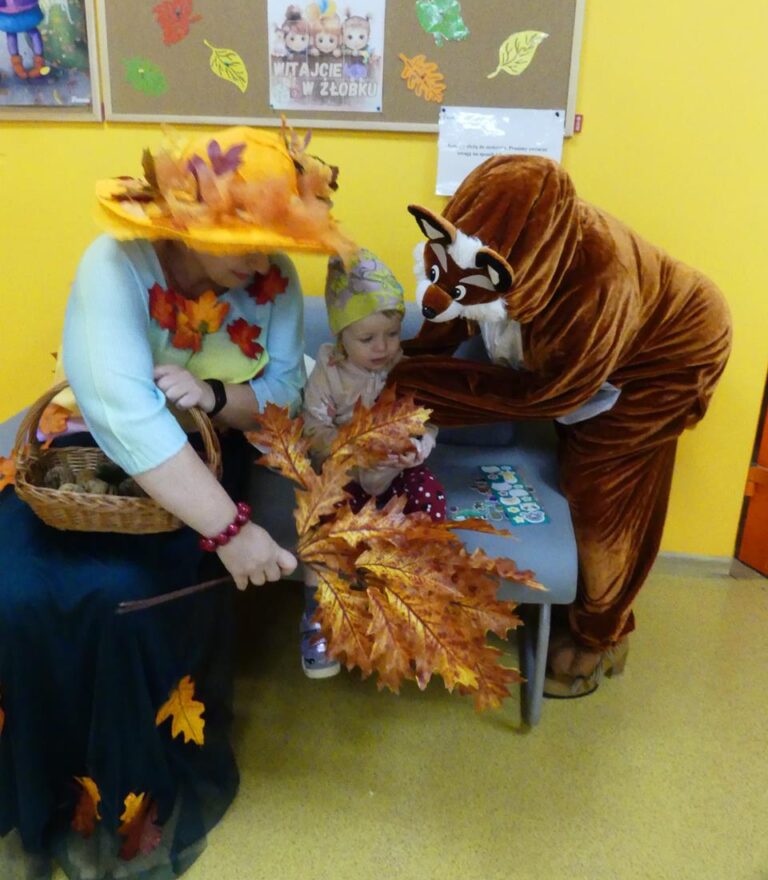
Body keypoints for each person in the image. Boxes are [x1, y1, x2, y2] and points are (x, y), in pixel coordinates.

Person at [0, 124, 351, 880]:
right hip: (89, 455)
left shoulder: (276, 283)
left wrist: (216, 396)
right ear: (185, 222)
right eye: (241, 241)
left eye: (272, 240)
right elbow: (121, 410)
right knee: (20, 590)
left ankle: (130, 804)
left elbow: (282, 396)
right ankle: (41, 793)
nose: (262, 259)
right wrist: (231, 532)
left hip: (206, 458)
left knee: (127, 600)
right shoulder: (115, 263)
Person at [390, 156, 732, 698]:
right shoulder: (504, 241)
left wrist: (416, 390)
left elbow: (548, 395)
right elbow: (450, 311)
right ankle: (584, 604)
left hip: (672, 355)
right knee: (578, 456)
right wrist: (402, 361)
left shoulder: (597, 288)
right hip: (598, 348)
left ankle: (602, 636)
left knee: (600, 487)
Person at [300, 250, 446, 678]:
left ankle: (416, 608)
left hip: (398, 471)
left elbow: (426, 419)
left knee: (430, 500)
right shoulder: (328, 371)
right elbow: (313, 428)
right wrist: (353, 449)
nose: (382, 347)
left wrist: (417, 446)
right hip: (343, 469)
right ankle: (321, 615)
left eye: (392, 334)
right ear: (341, 336)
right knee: (318, 522)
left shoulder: (405, 368)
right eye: (367, 339)